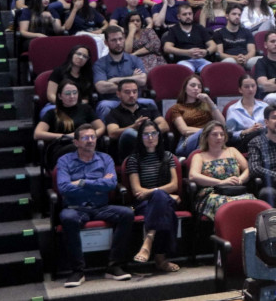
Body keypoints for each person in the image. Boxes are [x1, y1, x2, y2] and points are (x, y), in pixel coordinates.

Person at [57, 124, 133, 288]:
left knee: (127, 214)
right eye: (85, 138)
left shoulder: (105, 159)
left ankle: (113, 266)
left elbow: (111, 184)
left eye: (92, 137)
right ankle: (77, 271)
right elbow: (64, 188)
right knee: (67, 218)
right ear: (76, 142)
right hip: (75, 208)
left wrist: (83, 183)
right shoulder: (64, 161)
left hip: (101, 207)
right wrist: (98, 185)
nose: (90, 141)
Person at [126, 120, 181, 273]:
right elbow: (137, 191)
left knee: (160, 199)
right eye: (145, 134)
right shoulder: (134, 159)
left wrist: (154, 191)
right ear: (140, 137)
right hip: (144, 204)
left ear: (159, 136)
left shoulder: (168, 156)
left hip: (160, 200)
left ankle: (148, 241)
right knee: (167, 210)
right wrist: (164, 194)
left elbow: (174, 185)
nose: (150, 137)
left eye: (153, 133)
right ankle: (161, 258)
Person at [188, 122, 255, 219]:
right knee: (226, 204)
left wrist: (241, 179)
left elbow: (248, 168)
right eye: (214, 134)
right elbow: (193, 176)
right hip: (212, 193)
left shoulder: (232, 151)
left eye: (222, 134)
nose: (219, 137)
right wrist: (221, 182)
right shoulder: (199, 156)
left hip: (235, 190)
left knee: (252, 201)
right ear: (206, 137)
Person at [93, 26, 152, 120]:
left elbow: (142, 80)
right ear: (106, 43)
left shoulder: (134, 60)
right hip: (112, 101)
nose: (118, 43)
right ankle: (108, 133)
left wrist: (115, 80)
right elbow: (101, 87)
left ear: (124, 39)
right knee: (103, 106)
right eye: (114, 40)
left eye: (120, 39)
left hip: (135, 100)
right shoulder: (100, 64)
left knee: (150, 103)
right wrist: (132, 80)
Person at [105, 79, 169, 161]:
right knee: (129, 133)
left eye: (135, 92)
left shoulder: (148, 108)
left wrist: (148, 133)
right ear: (118, 94)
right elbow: (112, 133)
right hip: (130, 154)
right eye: (127, 92)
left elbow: (165, 125)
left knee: (154, 134)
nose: (132, 95)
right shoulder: (113, 113)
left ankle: (152, 153)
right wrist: (133, 127)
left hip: (152, 147)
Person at [172, 74, 226, 157]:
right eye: (192, 85)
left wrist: (209, 101)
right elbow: (185, 130)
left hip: (208, 140)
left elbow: (222, 123)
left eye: (199, 86)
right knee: (206, 136)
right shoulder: (177, 108)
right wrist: (207, 131)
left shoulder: (206, 105)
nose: (196, 88)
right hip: (187, 143)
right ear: (185, 88)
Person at [162, 3, 216, 73]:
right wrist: (187, 52)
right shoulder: (174, 30)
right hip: (184, 60)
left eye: (190, 14)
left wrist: (206, 52)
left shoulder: (199, 28)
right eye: (184, 14)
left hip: (201, 59)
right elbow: (167, 48)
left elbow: (213, 45)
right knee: (187, 70)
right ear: (178, 16)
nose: (188, 16)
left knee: (212, 71)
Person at [214, 4, 259, 69]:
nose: (237, 17)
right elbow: (220, 54)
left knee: (261, 60)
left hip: (246, 60)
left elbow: (252, 51)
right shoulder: (219, 33)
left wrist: (245, 57)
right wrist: (236, 58)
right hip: (230, 60)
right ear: (227, 16)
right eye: (234, 14)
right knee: (230, 61)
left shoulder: (247, 32)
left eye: (239, 15)